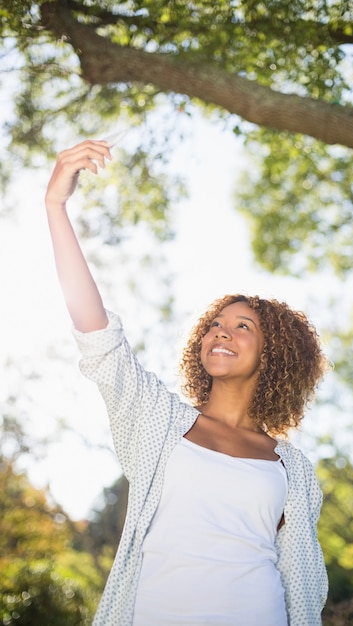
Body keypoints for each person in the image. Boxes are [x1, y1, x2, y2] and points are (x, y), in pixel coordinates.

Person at [45, 139, 329, 626]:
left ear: (274, 355)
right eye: (216, 323)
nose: (223, 330)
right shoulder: (159, 420)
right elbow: (100, 338)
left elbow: (302, 585)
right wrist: (55, 206)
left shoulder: (294, 470)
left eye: (244, 326)